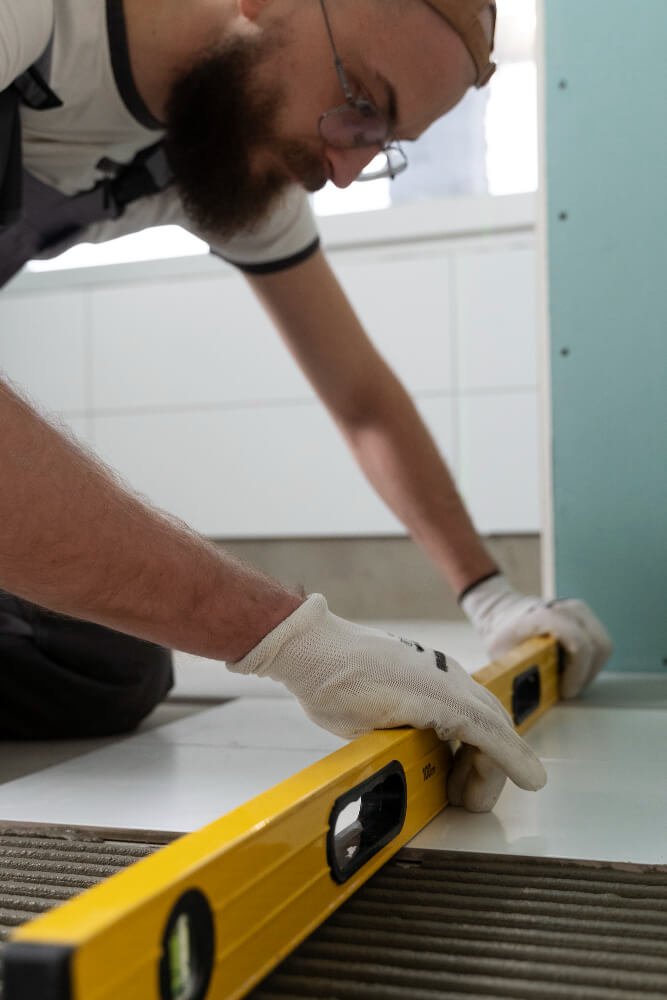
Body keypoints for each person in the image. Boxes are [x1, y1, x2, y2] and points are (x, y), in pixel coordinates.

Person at [0, 0, 611, 812]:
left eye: (380, 145)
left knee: (104, 663)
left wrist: (490, 597)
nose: (346, 169)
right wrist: (289, 637)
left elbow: (362, 400)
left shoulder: (208, 144)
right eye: (361, 106)